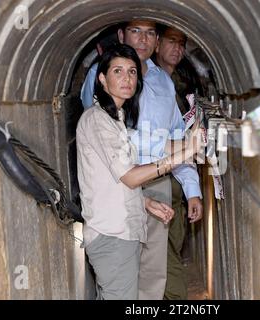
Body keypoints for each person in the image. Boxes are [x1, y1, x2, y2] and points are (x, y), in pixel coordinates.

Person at [76, 44, 201, 300]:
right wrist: (186, 153)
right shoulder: (97, 121)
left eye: (132, 72)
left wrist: (146, 203)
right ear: (102, 78)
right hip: (112, 235)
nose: (127, 79)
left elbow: (148, 147)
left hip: (123, 232)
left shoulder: (116, 119)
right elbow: (131, 176)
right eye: (118, 71)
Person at [153, 26, 203, 300]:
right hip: (144, 185)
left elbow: (179, 138)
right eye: (172, 41)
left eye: (182, 43)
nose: (178, 48)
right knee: (160, 265)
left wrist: (192, 190)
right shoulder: (141, 84)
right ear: (158, 43)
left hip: (173, 186)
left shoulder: (179, 85)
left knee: (171, 249)